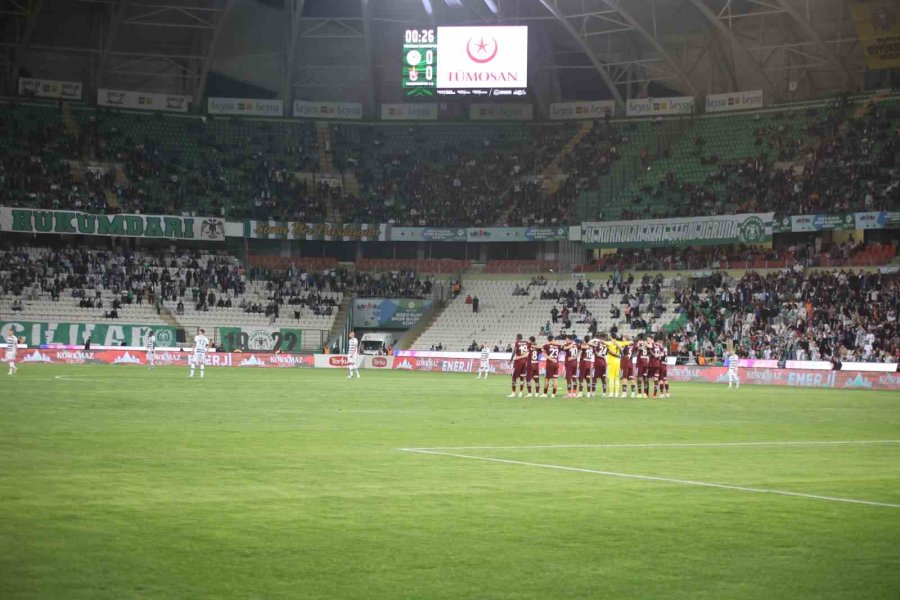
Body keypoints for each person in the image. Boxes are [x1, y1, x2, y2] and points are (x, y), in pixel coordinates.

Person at [507, 334, 531, 398]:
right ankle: (520, 393)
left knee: (514, 377)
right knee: (522, 377)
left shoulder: (516, 343)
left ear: (517, 338)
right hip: (525, 361)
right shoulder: (527, 343)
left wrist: (511, 360)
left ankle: (513, 393)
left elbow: (514, 352)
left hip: (518, 361)